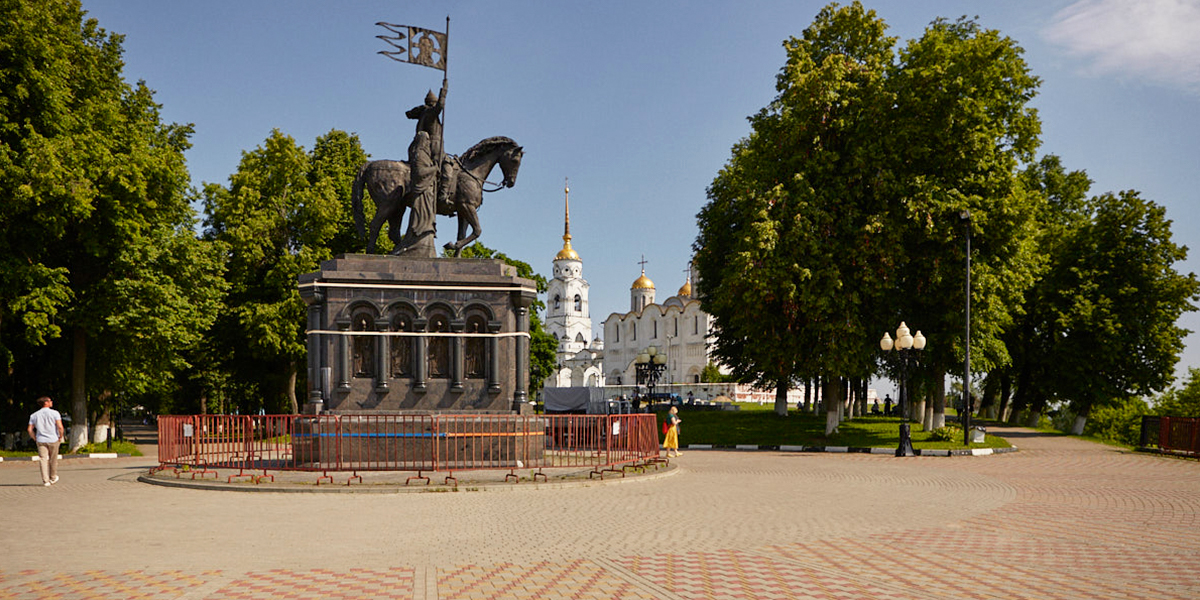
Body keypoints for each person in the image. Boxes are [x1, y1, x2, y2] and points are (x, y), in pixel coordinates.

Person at [27, 396, 64, 486]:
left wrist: (35, 438)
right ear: (46, 403)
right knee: (53, 459)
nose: (51, 402)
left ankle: (45, 480)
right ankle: (53, 477)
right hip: (53, 439)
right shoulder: (55, 413)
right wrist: (61, 436)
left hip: (41, 439)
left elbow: (29, 429)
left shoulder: (34, 415)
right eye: (50, 401)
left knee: (43, 459)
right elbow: (60, 426)